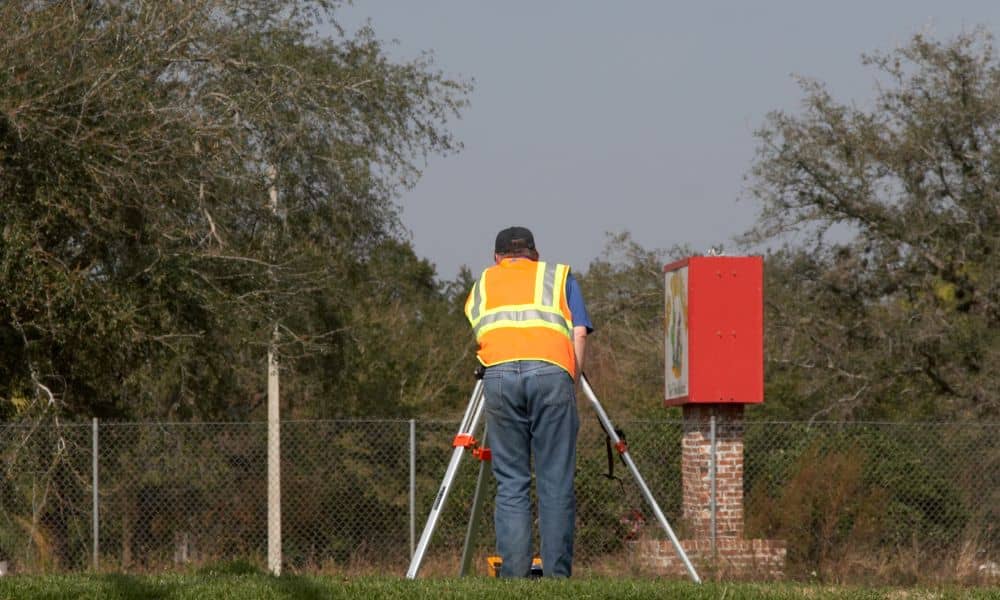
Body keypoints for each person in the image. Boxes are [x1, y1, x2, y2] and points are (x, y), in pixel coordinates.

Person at [463, 226, 593, 578]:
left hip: (499, 376)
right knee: (555, 480)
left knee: (511, 481)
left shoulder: (483, 285)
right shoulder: (559, 276)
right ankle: (556, 578)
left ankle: (514, 578)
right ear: (535, 254)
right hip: (552, 374)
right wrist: (574, 381)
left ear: (497, 257)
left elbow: (480, 328)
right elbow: (578, 331)